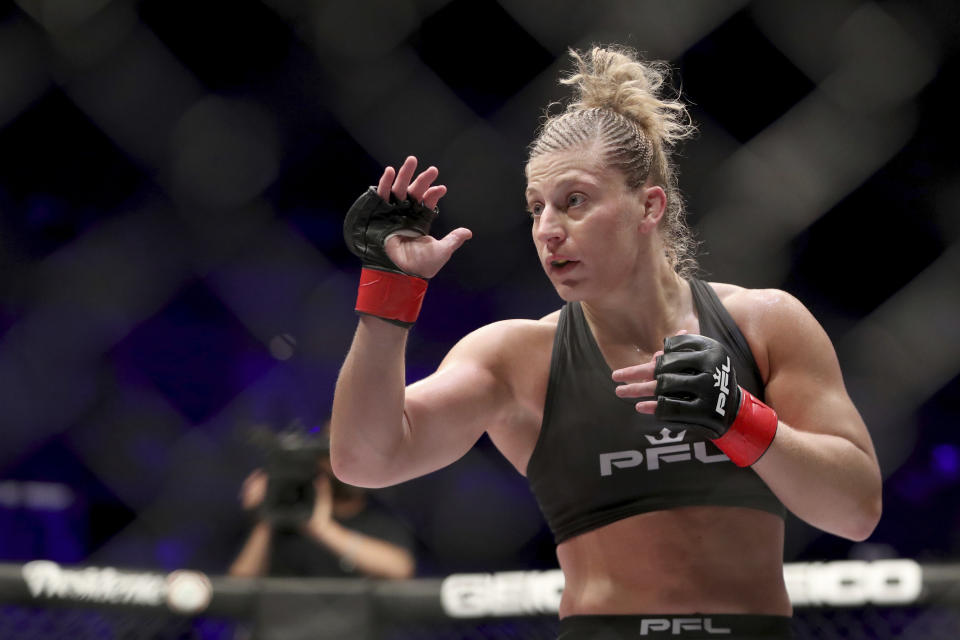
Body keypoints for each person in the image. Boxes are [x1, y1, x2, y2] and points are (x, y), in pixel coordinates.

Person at [330, 45, 882, 639]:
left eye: (574, 201)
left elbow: (855, 511)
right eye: (536, 208)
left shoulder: (763, 324)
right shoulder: (518, 358)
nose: (548, 229)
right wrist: (390, 293)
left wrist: (741, 419)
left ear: (648, 206)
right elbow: (366, 459)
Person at [228, 445, 415, 580]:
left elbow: (400, 568)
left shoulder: (379, 522)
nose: (346, 467)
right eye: (332, 455)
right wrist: (270, 505)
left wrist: (323, 529)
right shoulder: (285, 521)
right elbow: (239, 586)